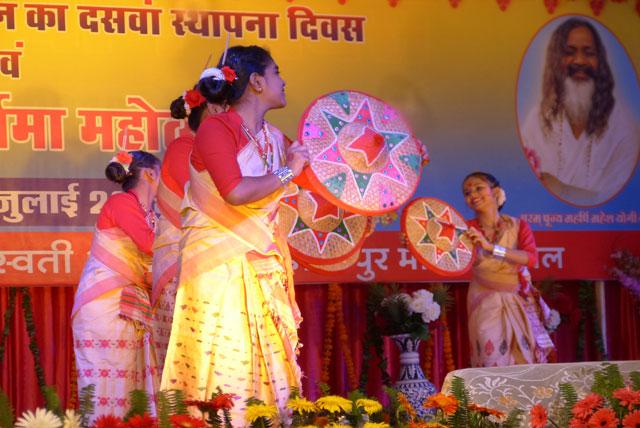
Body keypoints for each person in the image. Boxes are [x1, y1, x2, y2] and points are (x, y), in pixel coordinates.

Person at [160, 46, 309, 426]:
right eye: (277, 72)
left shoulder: (273, 137)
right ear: (257, 82)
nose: (283, 79)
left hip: (260, 265)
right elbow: (236, 192)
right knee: (226, 364)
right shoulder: (216, 127)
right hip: (218, 267)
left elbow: (320, 176)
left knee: (270, 365)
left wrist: (390, 160)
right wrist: (290, 171)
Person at [72, 150, 161, 420]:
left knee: (131, 386)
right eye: (162, 175)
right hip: (105, 303)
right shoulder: (122, 202)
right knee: (105, 385)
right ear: (150, 174)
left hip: (128, 303)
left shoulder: (149, 212)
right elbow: (151, 246)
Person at [152, 68, 227, 371]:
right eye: (226, 107)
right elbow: (208, 204)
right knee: (185, 365)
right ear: (212, 108)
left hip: (212, 267)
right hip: (180, 268)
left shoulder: (218, 150)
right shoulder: (185, 148)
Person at [521, 17, 639, 206]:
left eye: (589, 53)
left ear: (600, 61)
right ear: (555, 61)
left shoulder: (623, 125)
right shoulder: (538, 120)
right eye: (569, 52)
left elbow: (622, 200)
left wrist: (562, 189)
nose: (580, 61)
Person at [462, 171, 556, 367]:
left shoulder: (518, 226)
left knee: (525, 359)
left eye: (478, 188)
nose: (472, 195)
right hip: (484, 301)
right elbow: (445, 251)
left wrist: (492, 248)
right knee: (491, 358)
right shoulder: (466, 229)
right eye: (467, 192)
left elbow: (530, 258)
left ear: (496, 192)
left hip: (518, 300)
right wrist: (412, 242)